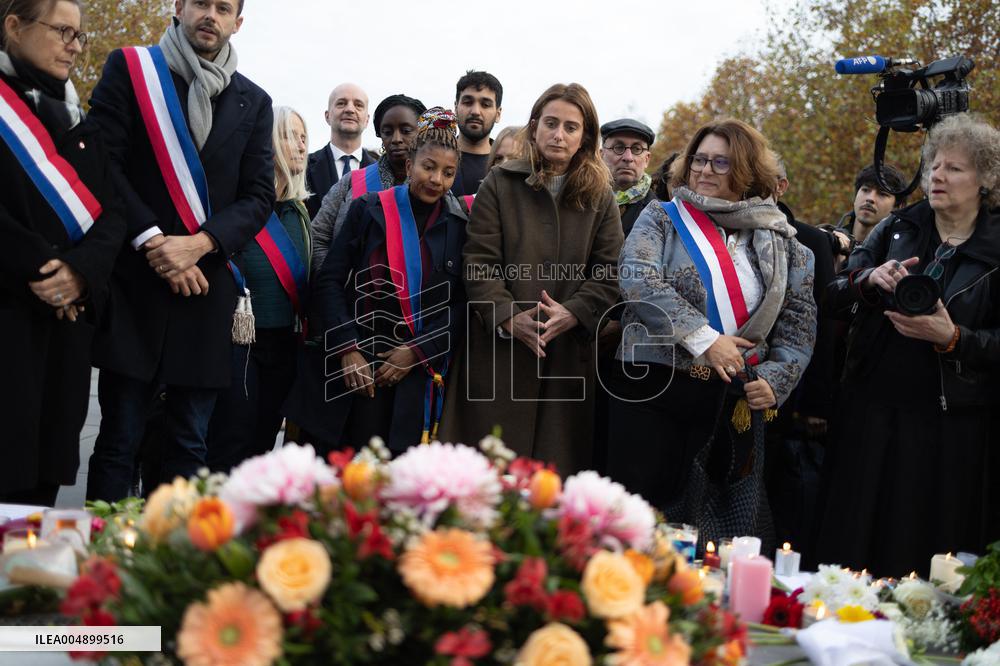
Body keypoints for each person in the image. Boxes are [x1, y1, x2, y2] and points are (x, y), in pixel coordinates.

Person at [86, 0, 274, 501]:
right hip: (136, 287)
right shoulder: (133, 70)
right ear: (178, 7)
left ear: (239, 20)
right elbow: (104, 163)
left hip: (204, 290)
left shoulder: (254, 102)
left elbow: (258, 196)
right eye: (200, 3)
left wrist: (200, 244)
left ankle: (168, 565)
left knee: (189, 444)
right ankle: (103, 568)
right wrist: (153, 241)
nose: (209, 15)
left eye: (222, 7)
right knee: (119, 440)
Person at [608, 119, 816, 540]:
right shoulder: (662, 217)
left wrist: (776, 380)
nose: (704, 170)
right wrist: (706, 340)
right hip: (652, 391)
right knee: (635, 525)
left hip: (729, 400)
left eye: (720, 162)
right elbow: (638, 279)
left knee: (709, 535)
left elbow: (798, 322)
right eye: (699, 159)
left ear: (746, 170)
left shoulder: (788, 245)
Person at [818, 113, 1000, 576]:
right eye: (933, 165)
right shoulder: (896, 227)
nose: (937, 175)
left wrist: (953, 338)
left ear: (987, 178)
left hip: (951, 427)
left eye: (955, 168)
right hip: (870, 409)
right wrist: (867, 280)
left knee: (925, 551)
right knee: (854, 539)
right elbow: (830, 296)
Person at [440, 83, 624, 474]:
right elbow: (478, 261)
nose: (559, 134)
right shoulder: (500, 183)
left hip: (565, 359)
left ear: (585, 137)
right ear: (535, 126)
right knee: (485, 482)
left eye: (571, 127)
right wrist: (508, 316)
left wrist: (574, 313)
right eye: (551, 123)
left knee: (551, 488)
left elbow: (609, 271)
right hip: (497, 355)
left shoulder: (601, 197)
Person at [0, 0, 124, 505]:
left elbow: (113, 215)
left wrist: (80, 273)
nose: (74, 46)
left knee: (39, 497)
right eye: (62, 31)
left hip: (63, 334)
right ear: (13, 26)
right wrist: (45, 268)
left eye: (80, 36)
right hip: (9, 315)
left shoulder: (83, 124)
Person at [303, 108, 468, 453]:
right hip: (356, 370)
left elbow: (460, 306)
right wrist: (346, 348)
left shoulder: (459, 226)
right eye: (429, 167)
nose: (437, 179)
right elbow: (329, 280)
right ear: (409, 166)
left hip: (416, 377)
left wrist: (417, 352)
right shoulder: (369, 209)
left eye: (448, 173)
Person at [206, 106, 311, 471]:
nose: (300, 145)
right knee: (232, 441)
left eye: (303, 137)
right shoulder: (241, 204)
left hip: (284, 344)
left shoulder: (300, 211)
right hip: (240, 342)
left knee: (263, 443)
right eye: (289, 135)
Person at [767, 154, 836, 554]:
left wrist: (815, 405)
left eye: (766, 179)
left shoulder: (811, 240)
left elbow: (823, 324)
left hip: (788, 389)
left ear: (782, 186)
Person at [309, 93, 425, 275]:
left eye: (406, 130)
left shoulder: (435, 186)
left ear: (421, 133)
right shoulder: (351, 182)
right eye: (387, 131)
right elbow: (318, 236)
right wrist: (333, 282)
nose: (396, 139)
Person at [304, 83, 376, 219]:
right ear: (327, 116)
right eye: (341, 103)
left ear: (367, 120)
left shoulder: (381, 171)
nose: (350, 109)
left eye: (358, 105)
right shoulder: (303, 167)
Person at [600, 118, 657, 238]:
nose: (628, 157)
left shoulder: (663, 214)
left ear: (647, 159)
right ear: (601, 155)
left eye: (637, 149)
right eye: (619, 148)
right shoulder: (580, 202)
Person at [451, 70, 502, 197]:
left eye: (485, 104)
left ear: (498, 114)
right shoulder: (433, 158)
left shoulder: (508, 164)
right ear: (456, 108)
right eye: (468, 102)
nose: (475, 111)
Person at [836, 163, 907, 245]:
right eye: (865, 190)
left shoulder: (901, 254)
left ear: (898, 207)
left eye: (882, 194)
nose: (870, 198)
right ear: (855, 197)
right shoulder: (827, 243)